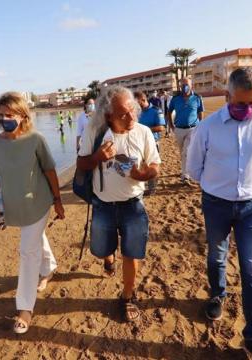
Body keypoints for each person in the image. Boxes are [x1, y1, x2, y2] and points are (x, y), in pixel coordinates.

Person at [186, 67, 252, 360]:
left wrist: (247, 186)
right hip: (215, 204)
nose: (248, 109)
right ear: (227, 96)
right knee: (216, 254)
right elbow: (193, 168)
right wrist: (219, 186)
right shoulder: (208, 127)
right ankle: (217, 294)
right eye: (240, 103)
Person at [0, 92, 65, 334]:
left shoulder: (36, 139)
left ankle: (25, 308)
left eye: (10, 114)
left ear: (22, 115)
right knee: (34, 238)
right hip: (15, 208)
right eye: (1, 115)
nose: (5, 119)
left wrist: (58, 201)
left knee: (27, 252)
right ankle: (49, 267)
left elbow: (49, 171)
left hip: (38, 204)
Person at [77, 85, 161, 322]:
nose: (131, 116)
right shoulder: (94, 131)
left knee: (132, 253)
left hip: (133, 205)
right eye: (123, 113)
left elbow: (155, 164)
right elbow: (81, 164)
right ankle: (108, 258)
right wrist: (97, 157)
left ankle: (127, 295)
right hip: (103, 205)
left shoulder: (143, 132)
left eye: (133, 110)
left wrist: (144, 175)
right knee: (102, 249)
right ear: (108, 116)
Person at [167, 78, 204, 185]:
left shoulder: (197, 98)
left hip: (192, 129)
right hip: (178, 129)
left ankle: (185, 175)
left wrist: (200, 126)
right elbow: (169, 112)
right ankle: (185, 170)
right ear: (179, 86)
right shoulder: (175, 99)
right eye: (182, 85)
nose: (184, 87)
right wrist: (171, 126)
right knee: (182, 152)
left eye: (186, 84)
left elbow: (200, 112)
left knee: (186, 152)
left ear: (191, 85)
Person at [133, 91, 165, 194]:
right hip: (138, 142)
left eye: (137, 103)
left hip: (152, 142)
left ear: (143, 100)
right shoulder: (136, 112)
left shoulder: (156, 111)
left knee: (152, 164)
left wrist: (145, 130)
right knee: (139, 165)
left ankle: (152, 188)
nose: (135, 105)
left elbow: (161, 127)